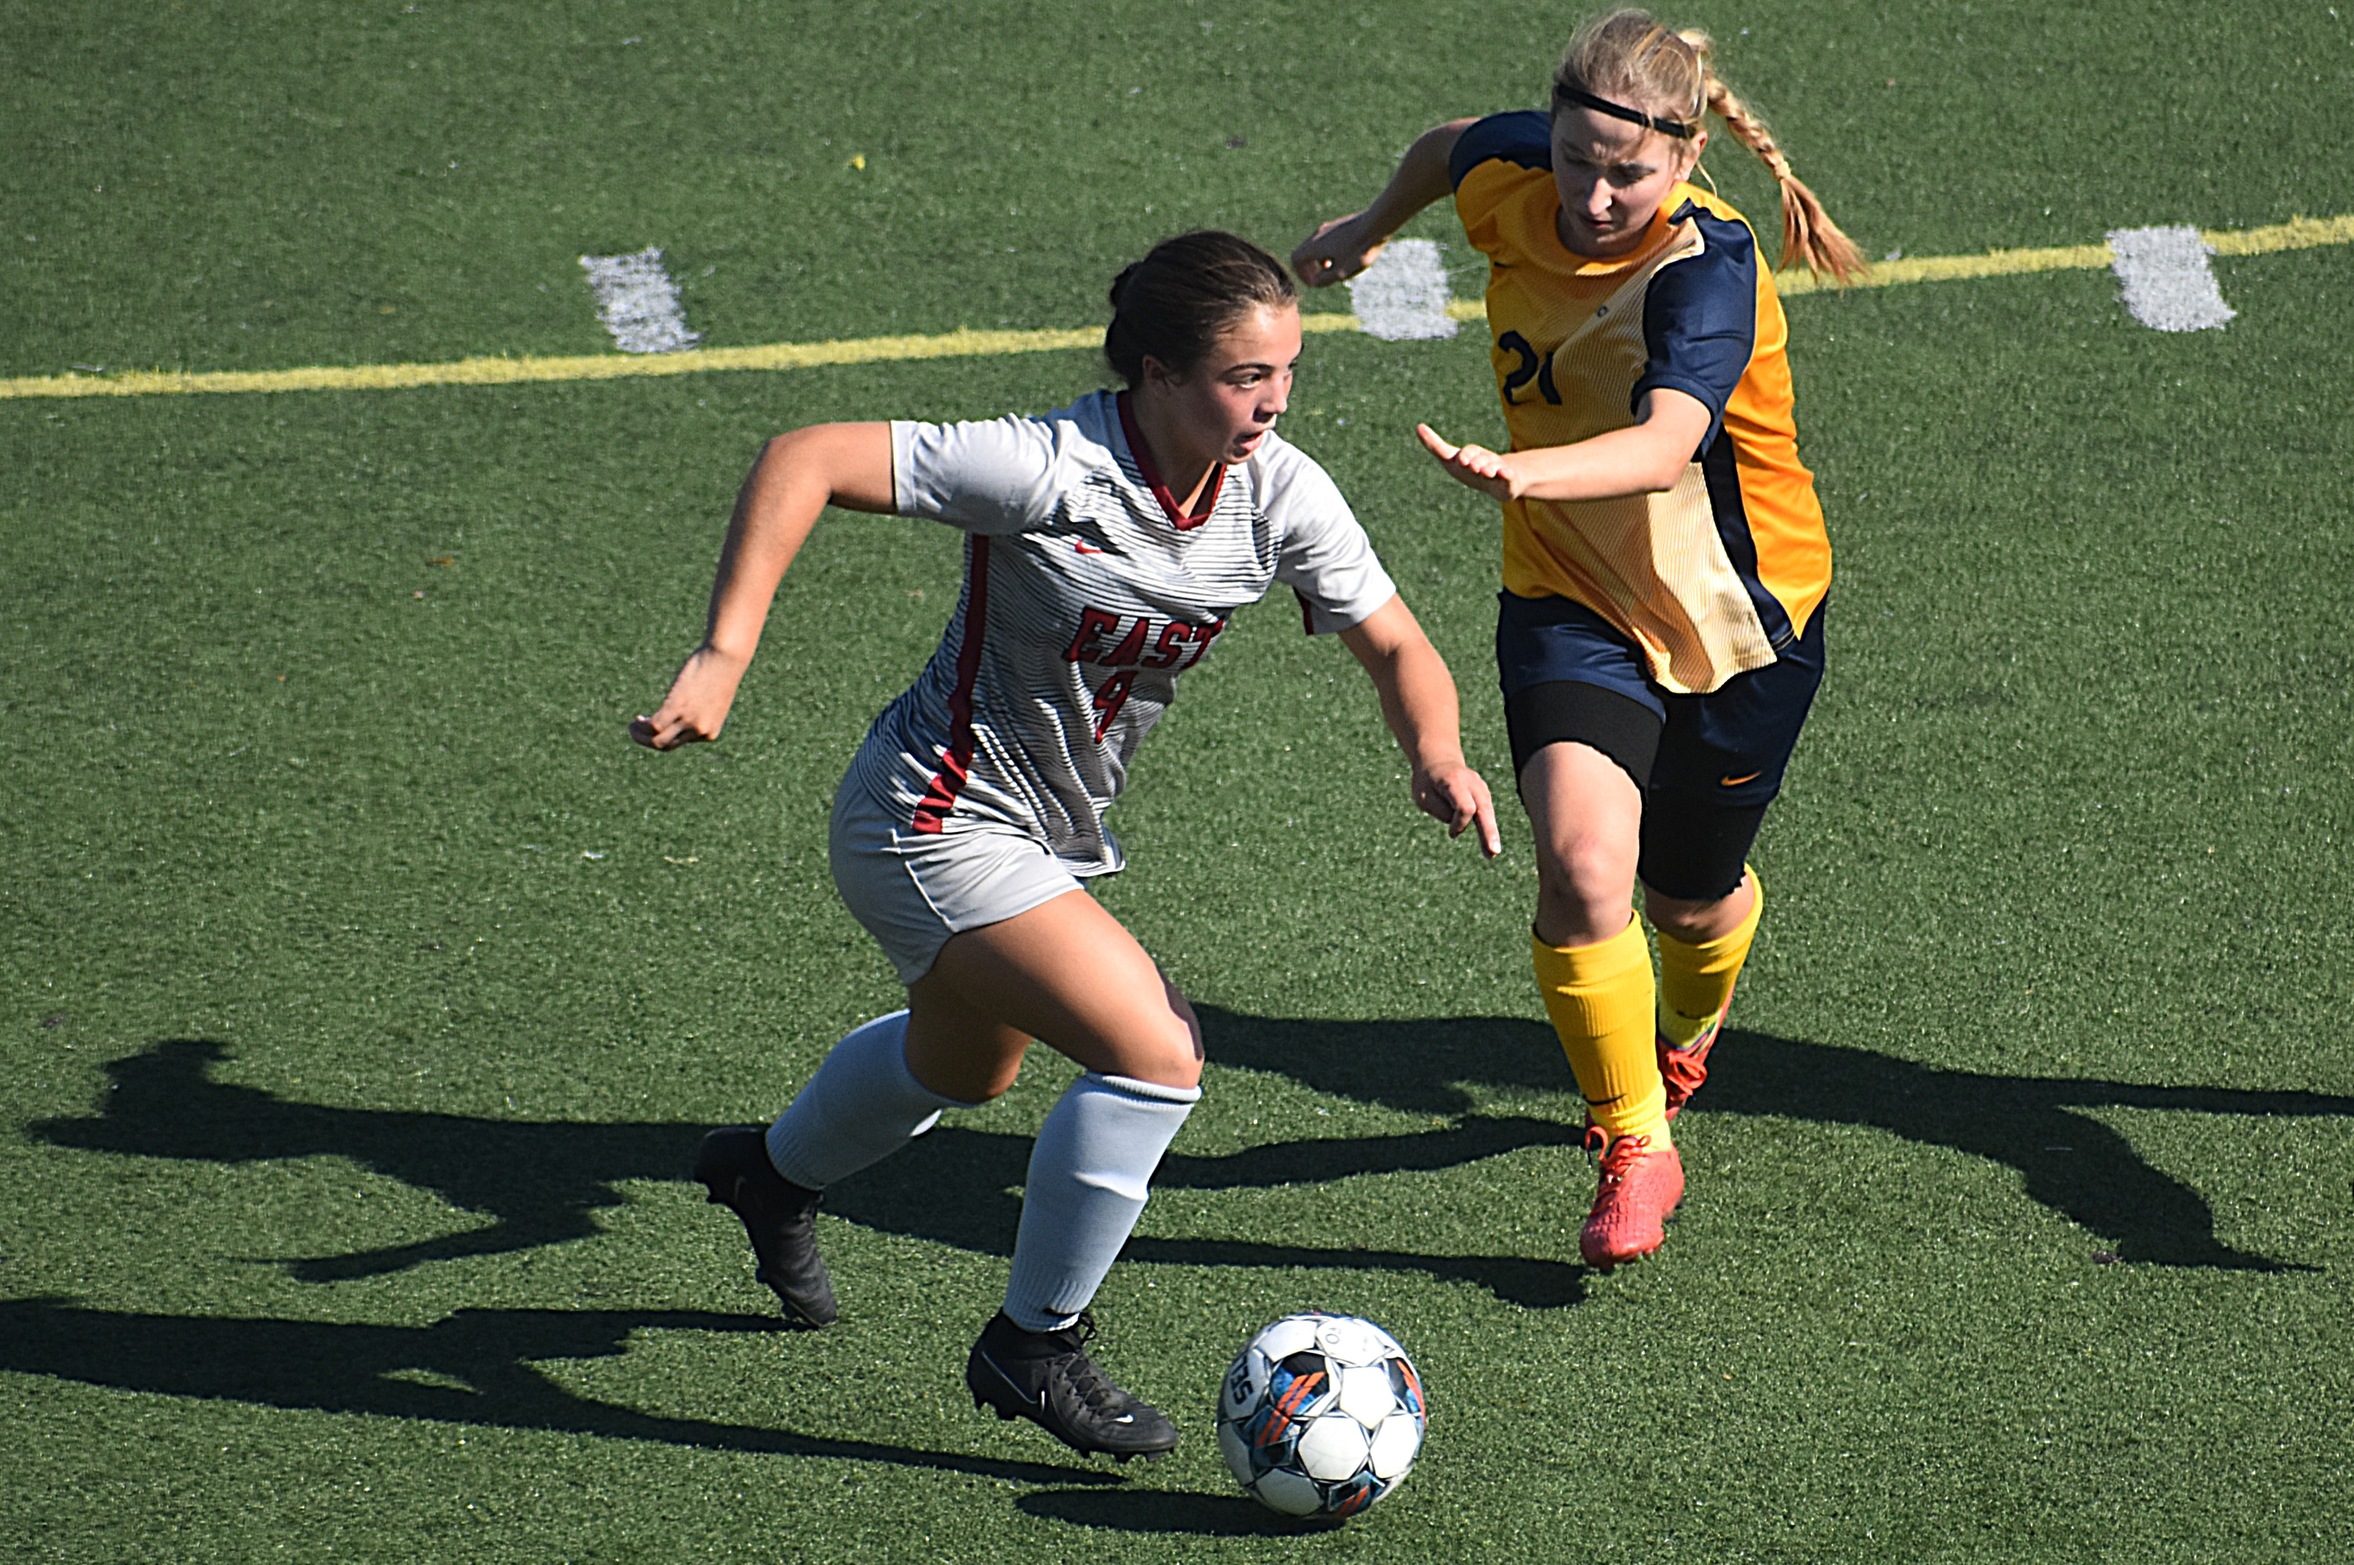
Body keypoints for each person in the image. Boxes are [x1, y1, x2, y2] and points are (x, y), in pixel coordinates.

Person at [630, 230, 1500, 1460]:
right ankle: (1032, 1343)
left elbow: (1398, 642)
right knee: (1155, 1052)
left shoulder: (1278, 489)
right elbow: (804, 457)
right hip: (927, 814)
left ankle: (767, 1175)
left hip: (1033, 833)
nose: (1275, 399)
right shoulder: (1050, 467)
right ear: (1155, 373)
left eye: (1287, 371)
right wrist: (722, 655)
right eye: (1244, 376)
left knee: (965, 1066)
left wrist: (1435, 753)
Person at [1292, 10, 1862, 1271]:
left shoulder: (1702, 272)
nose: (1594, 195)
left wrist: (1524, 471)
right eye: (1573, 162)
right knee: (1581, 869)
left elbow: (1664, 445)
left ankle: (1685, 1031)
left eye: (1628, 174)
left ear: (1688, 153)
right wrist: (1364, 228)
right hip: (1567, 597)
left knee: (1687, 897)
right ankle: (1631, 1139)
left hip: (1737, 621)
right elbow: (1448, 148)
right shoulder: (1512, 170)